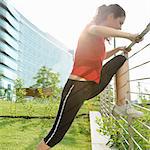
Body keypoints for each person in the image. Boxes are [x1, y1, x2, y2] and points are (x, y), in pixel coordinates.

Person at [37, 4, 143, 150]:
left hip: (92, 85)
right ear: (110, 16)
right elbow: (97, 29)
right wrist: (130, 35)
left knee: (122, 58)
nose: (120, 28)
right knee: (56, 134)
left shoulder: (99, 40)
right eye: (120, 23)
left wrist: (118, 50)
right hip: (76, 88)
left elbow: (101, 57)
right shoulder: (91, 28)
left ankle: (121, 105)